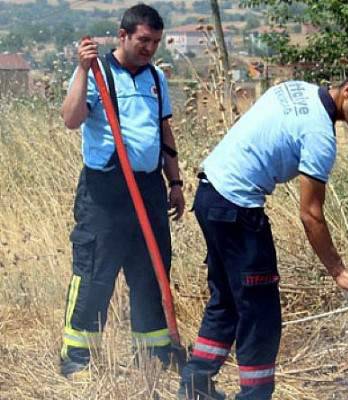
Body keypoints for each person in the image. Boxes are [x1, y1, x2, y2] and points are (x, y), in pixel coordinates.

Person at [179, 63, 348, 400]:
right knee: (260, 312)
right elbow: (311, 215)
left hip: (209, 196)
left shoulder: (297, 88)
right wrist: (339, 272)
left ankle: (194, 388)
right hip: (237, 207)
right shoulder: (321, 136)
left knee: (227, 300)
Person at [59, 4, 184, 377]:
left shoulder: (156, 78)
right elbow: (70, 119)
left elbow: (165, 133)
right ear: (123, 35)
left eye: (155, 42)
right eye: (144, 40)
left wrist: (175, 183)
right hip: (106, 191)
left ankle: (154, 355)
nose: (149, 48)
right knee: (96, 271)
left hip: (148, 187)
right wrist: (82, 70)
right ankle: (79, 358)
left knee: (151, 270)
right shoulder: (97, 73)